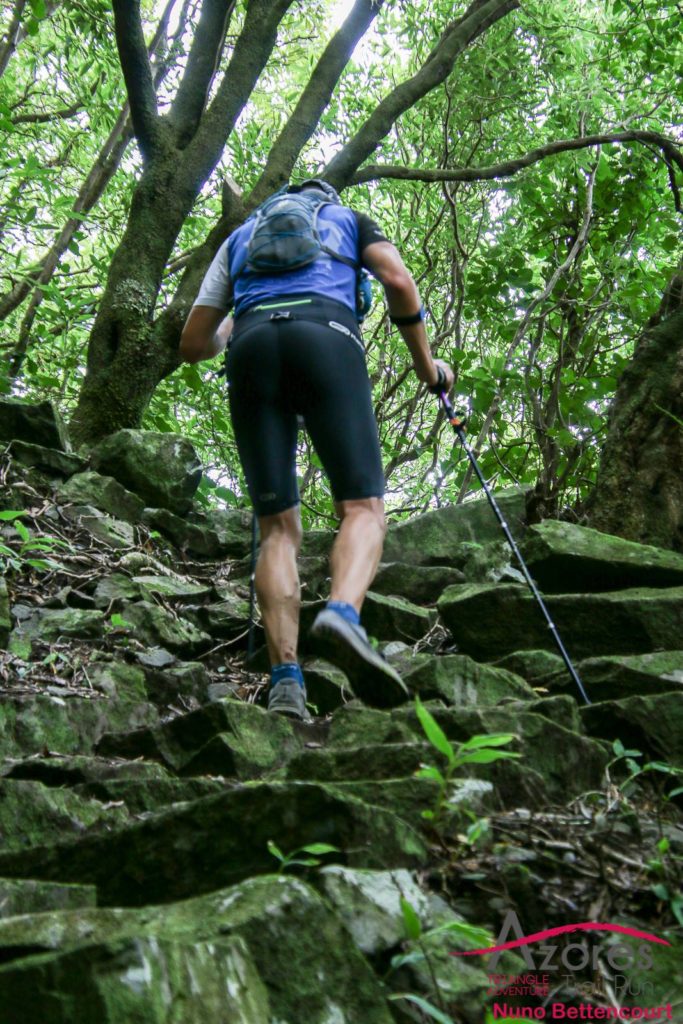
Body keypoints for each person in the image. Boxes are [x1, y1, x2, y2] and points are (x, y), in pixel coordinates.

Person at [180, 179, 454, 721]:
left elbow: (193, 345)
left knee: (276, 527)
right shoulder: (348, 220)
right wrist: (430, 370)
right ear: (323, 202)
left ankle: (286, 680)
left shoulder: (241, 237)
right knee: (362, 508)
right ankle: (343, 614)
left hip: (252, 347)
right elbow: (397, 281)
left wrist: (244, 319)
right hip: (328, 336)